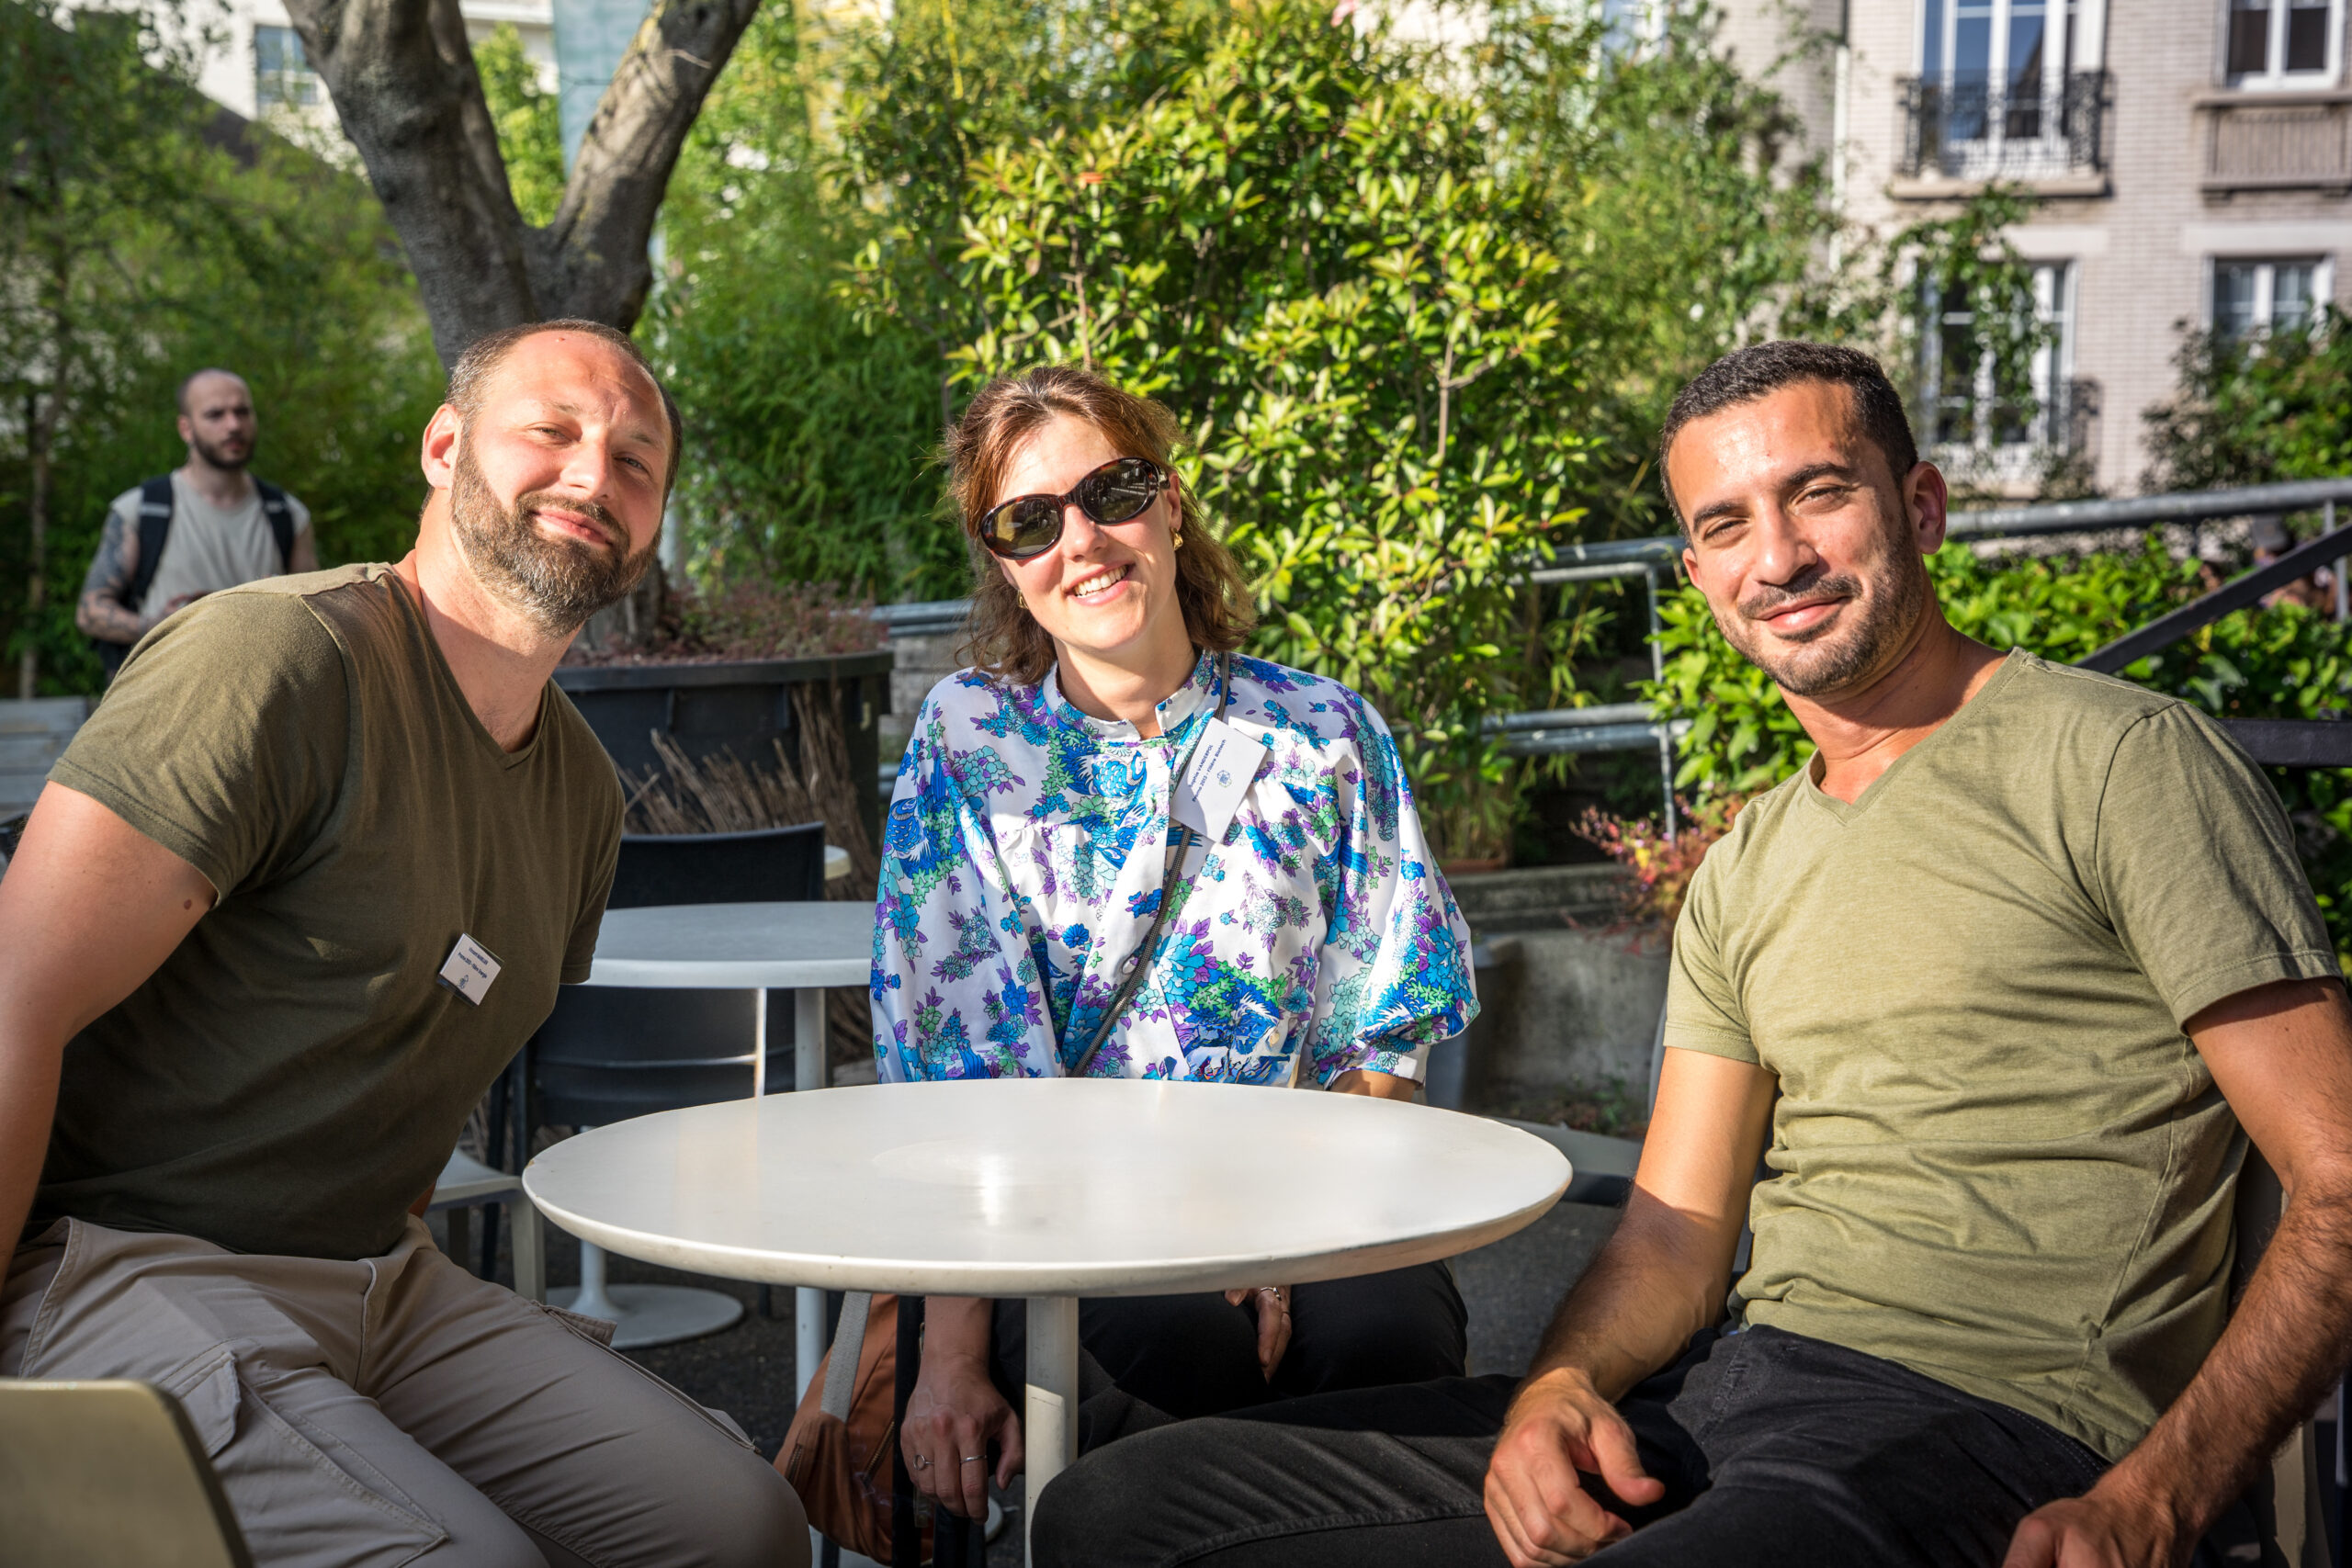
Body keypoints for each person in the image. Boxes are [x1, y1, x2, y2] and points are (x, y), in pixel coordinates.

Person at [1026, 341, 2352, 1568]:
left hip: (1988, 1428)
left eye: (1818, 494)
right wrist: (1558, 1390)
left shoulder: (2120, 763)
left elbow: (2338, 1180)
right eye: (1725, 525)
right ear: (1701, 575)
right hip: (1724, 1396)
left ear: (1923, 506)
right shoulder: (1748, 864)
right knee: (1116, 1512)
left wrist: (2162, 1495)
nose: (1777, 556)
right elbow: (1673, 1233)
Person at [0, 321, 807, 1568]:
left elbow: (424, 1073)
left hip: (382, 1278)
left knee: (743, 1525)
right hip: (116, 1266)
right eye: (551, 431)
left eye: (636, 460)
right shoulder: (276, 657)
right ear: (444, 447)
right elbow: (16, 999)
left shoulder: (583, 795)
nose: (593, 475)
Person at [870, 365, 1480, 1523]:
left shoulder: (1321, 729)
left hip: (1305, 1188)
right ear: (1002, 562)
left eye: (1113, 491)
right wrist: (945, 1357)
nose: (1082, 541)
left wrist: (1286, 1230)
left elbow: (1385, 1021)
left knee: (1386, 1330)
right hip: (1055, 1222)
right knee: (1177, 1345)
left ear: (1171, 503)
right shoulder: (968, 740)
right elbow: (955, 1071)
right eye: (1030, 521)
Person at [76, 368, 320, 674]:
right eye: (215, 415)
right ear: (186, 428)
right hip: (167, 694)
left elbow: (317, 618)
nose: (233, 425)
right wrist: (160, 625)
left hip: (263, 695)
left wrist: (281, 609)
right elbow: (90, 612)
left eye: (242, 412)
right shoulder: (142, 510)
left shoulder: (288, 514)